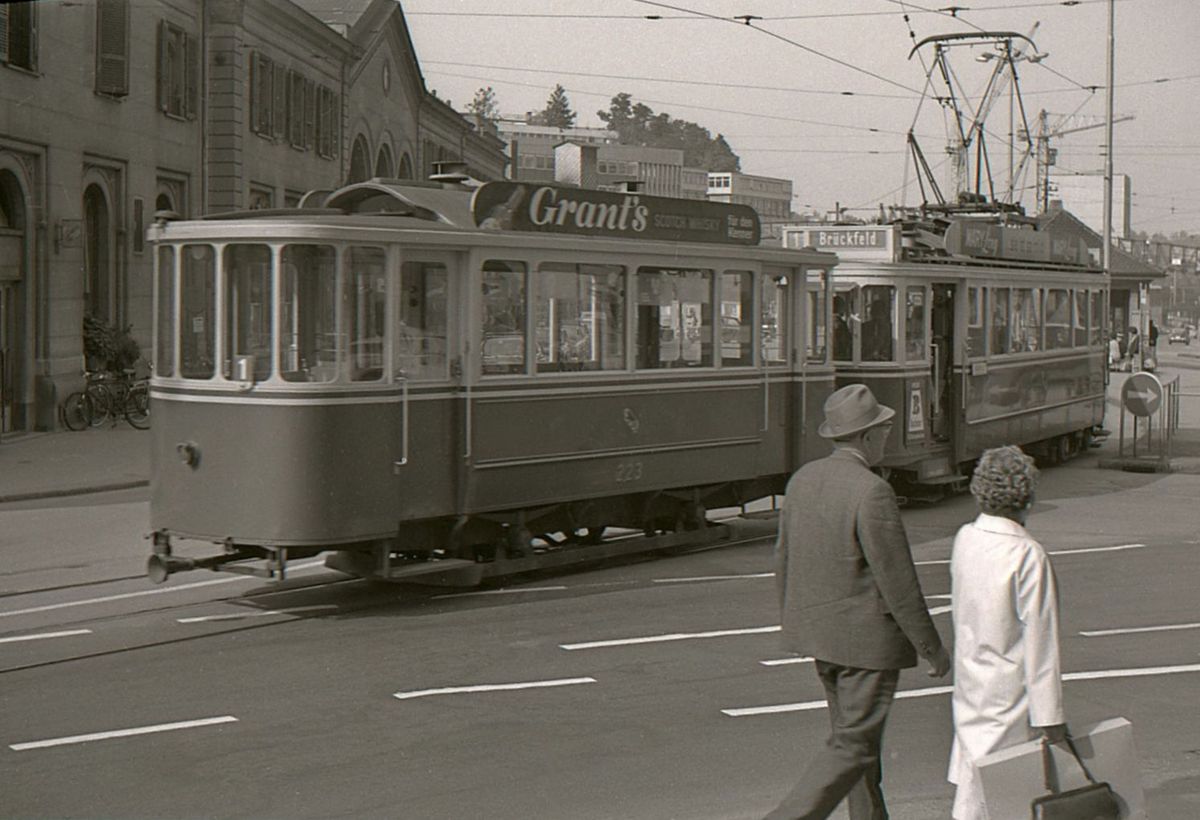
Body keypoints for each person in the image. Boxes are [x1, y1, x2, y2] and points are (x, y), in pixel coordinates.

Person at [766, 384, 951, 820]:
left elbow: (784, 558)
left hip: (821, 640)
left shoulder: (802, 481)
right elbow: (898, 581)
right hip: (866, 648)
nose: (886, 437)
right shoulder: (871, 491)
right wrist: (932, 649)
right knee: (852, 748)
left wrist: (795, 623)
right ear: (867, 437)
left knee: (857, 748)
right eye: (883, 430)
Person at [947, 446, 1065, 820]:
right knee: (1007, 792)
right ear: (1026, 496)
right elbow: (1041, 640)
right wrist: (1051, 716)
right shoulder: (1027, 554)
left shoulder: (966, 537)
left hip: (971, 681)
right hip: (1011, 692)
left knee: (973, 782)